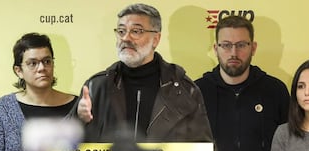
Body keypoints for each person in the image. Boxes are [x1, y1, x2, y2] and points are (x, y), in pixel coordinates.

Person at [195, 15, 290, 151]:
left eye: (241, 45)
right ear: (215, 48)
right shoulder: (197, 92)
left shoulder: (275, 91)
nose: (234, 53)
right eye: (226, 45)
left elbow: (291, 150)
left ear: (253, 47)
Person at [73, 3, 212, 143]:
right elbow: (64, 146)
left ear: (156, 39)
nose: (126, 38)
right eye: (121, 31)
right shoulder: (96, 86)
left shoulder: (184, 90)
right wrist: (79, 118)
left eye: (136, 31)